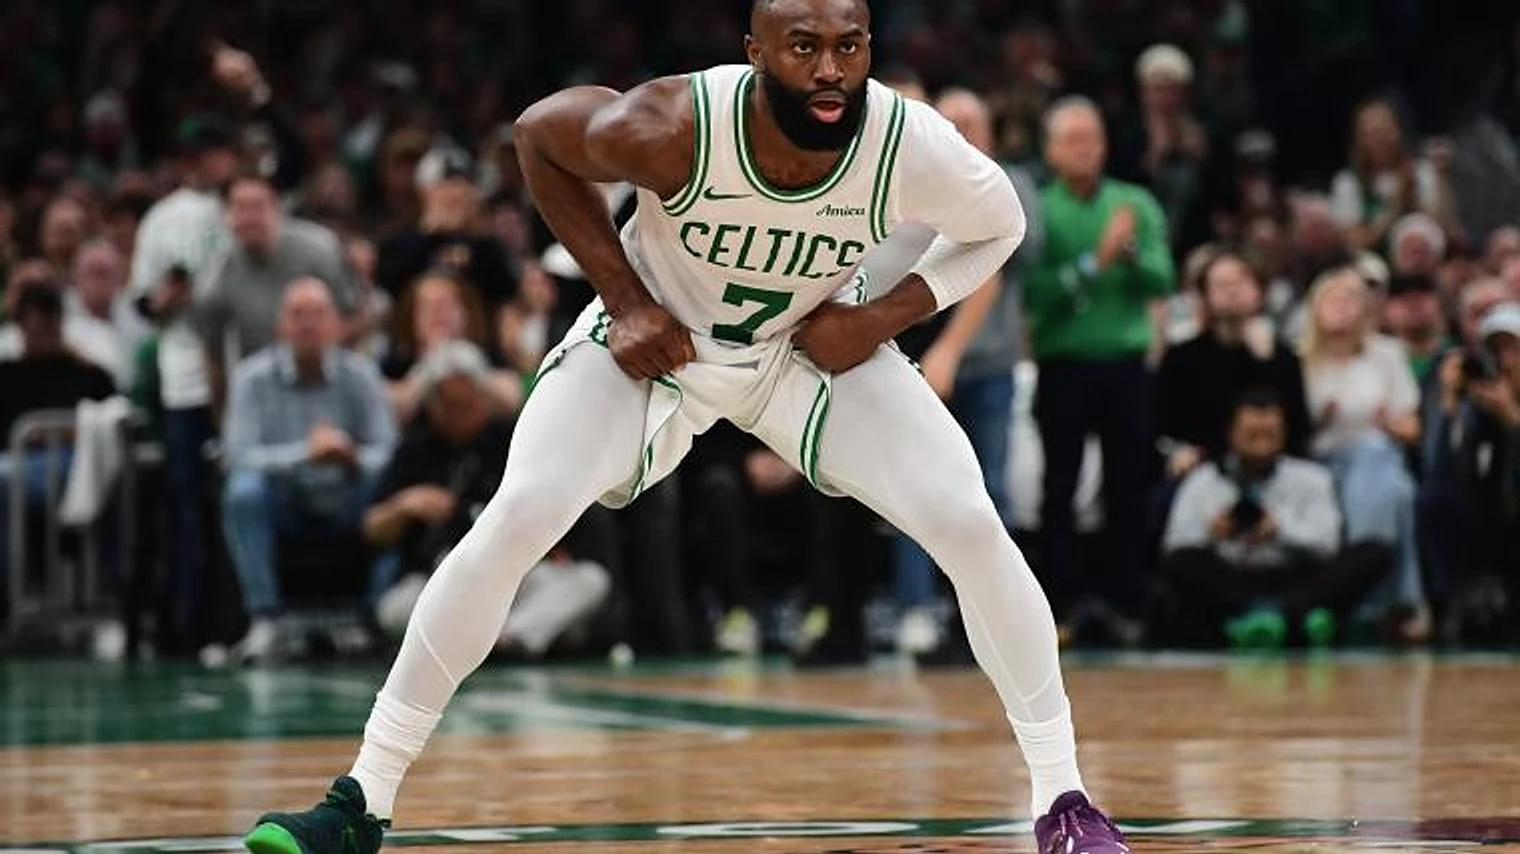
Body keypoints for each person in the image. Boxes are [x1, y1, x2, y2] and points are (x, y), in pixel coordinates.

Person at [242, 5, 1129, 854]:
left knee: (968, 520)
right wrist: (624, 300)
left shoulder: (904, 139)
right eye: (804, 46)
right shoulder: (677, 124)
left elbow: (999, 225)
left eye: (850, 46)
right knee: (518, 514)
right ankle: (361, 801)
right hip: (658, 340)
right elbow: (539, 136)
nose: (830, 69)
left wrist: (880, 316)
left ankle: (1064, 801)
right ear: (755, 53)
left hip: (798, 349)